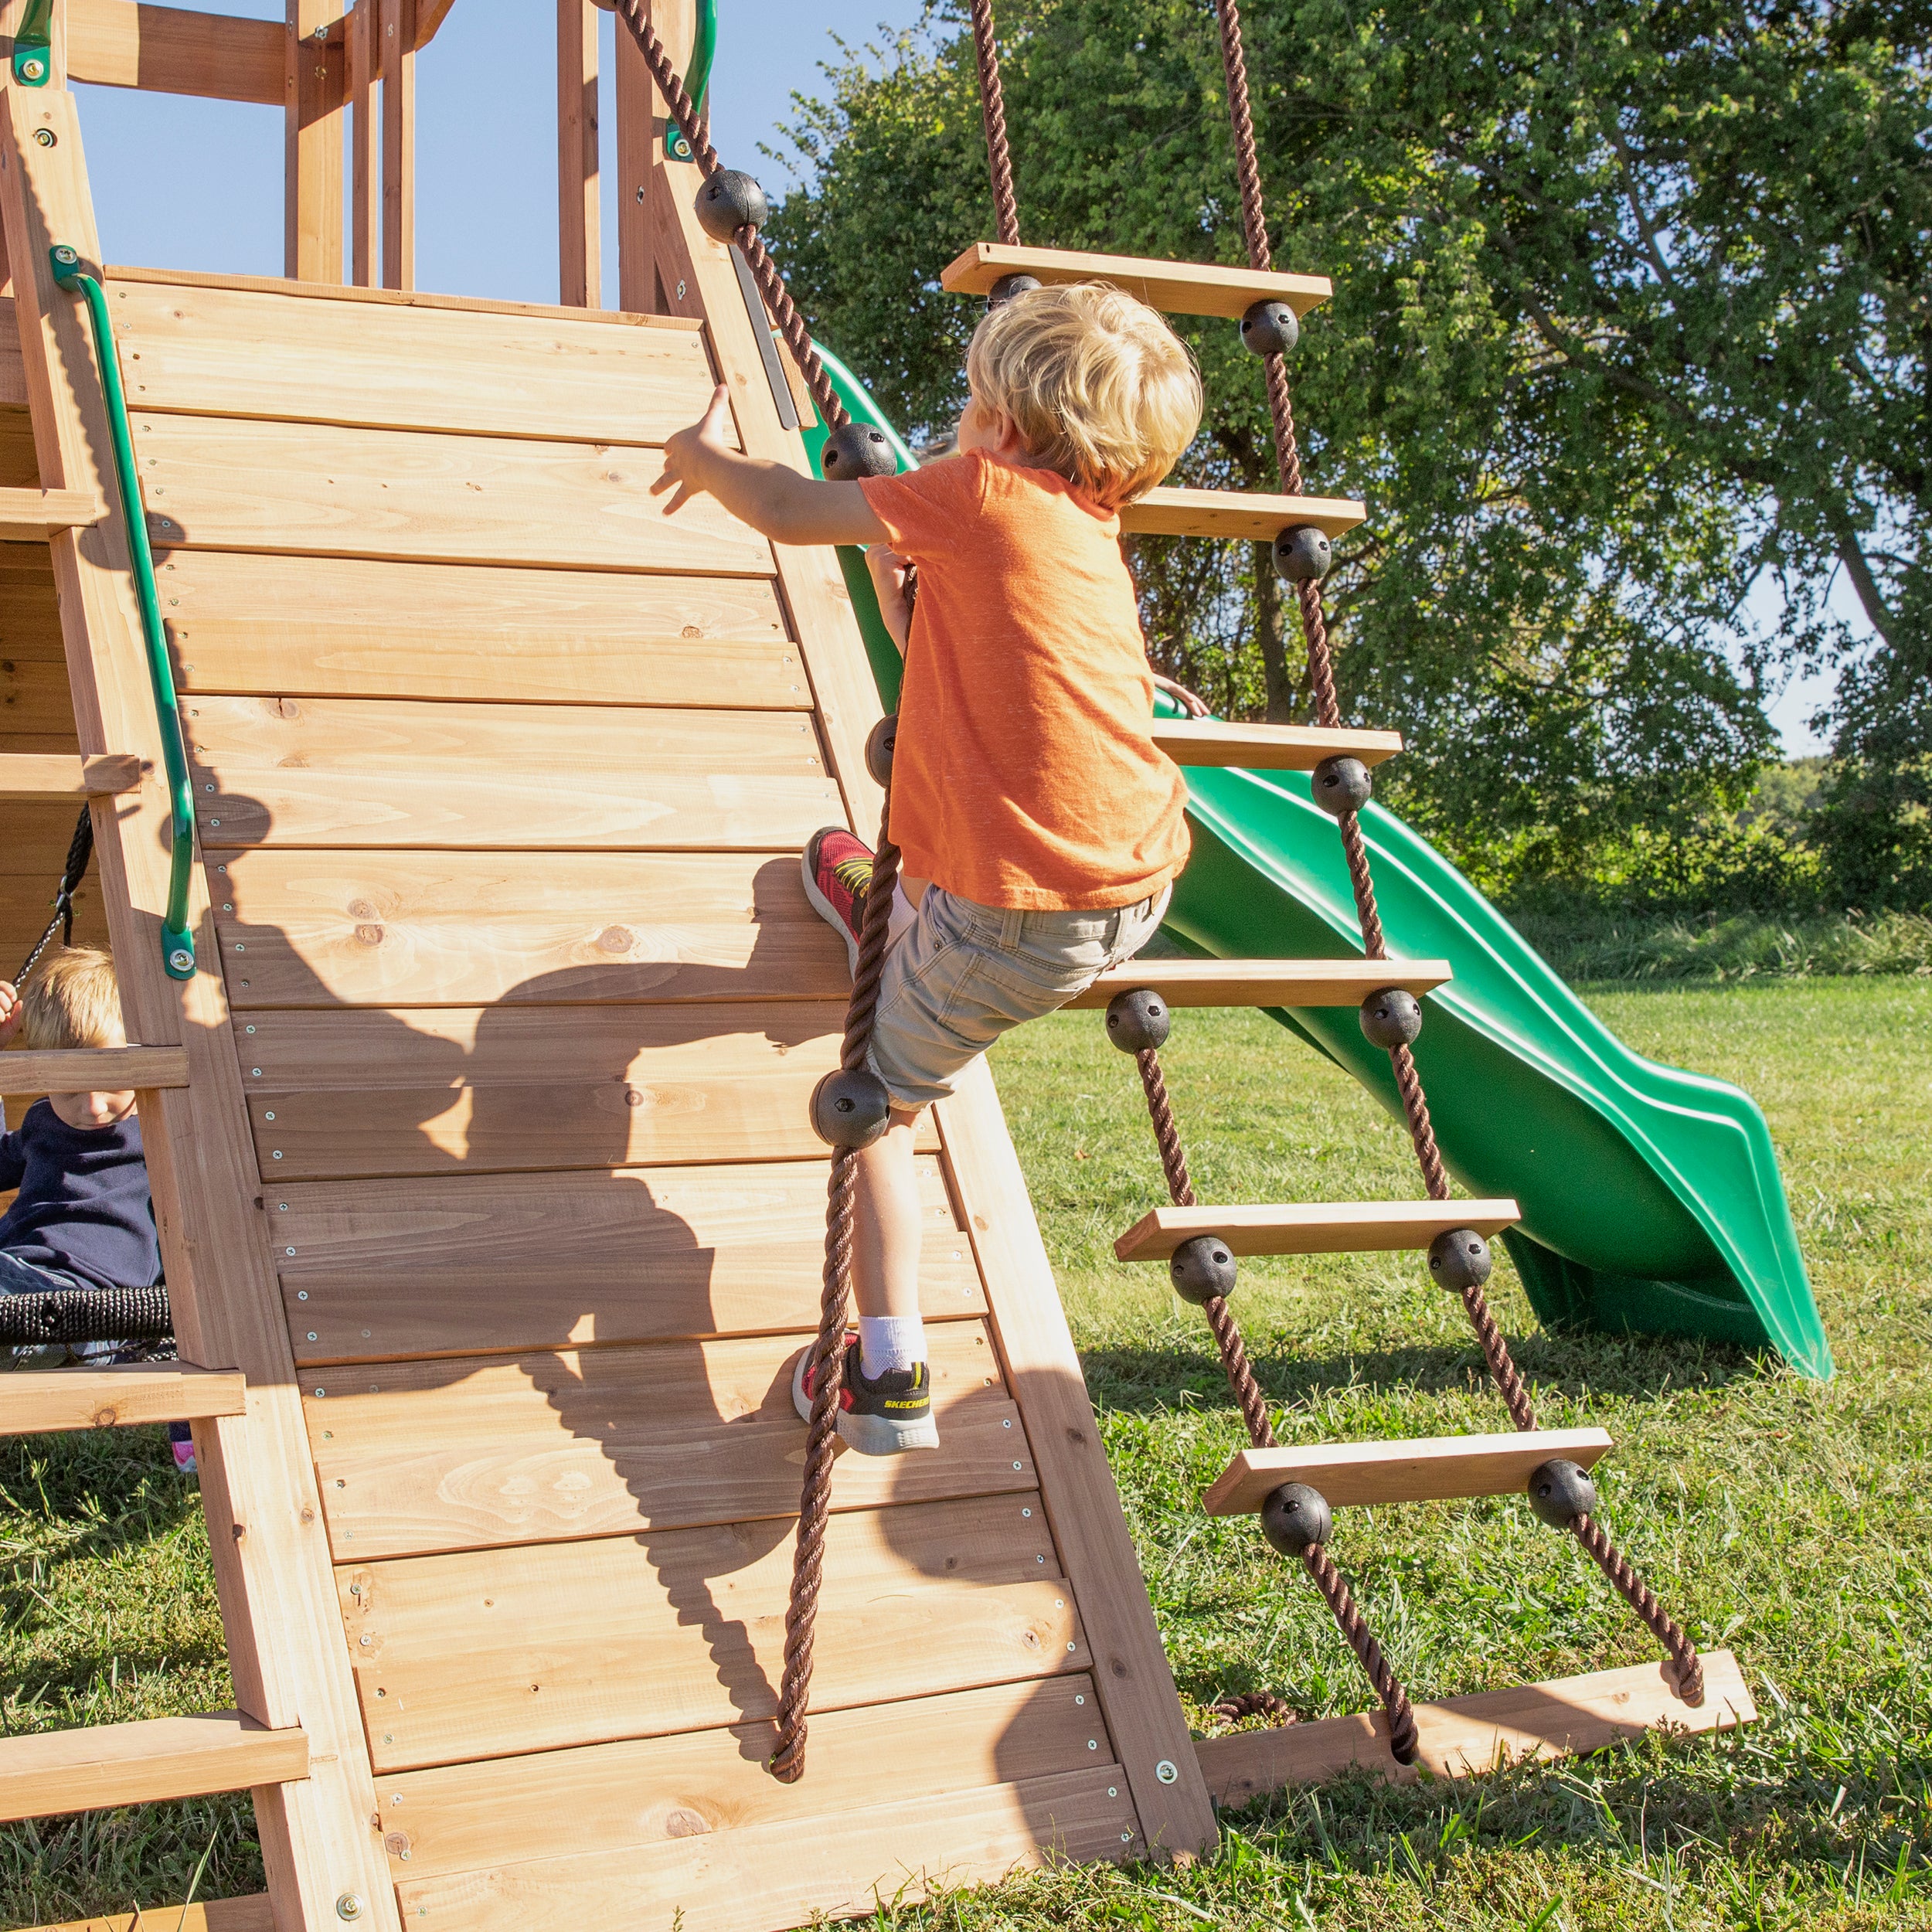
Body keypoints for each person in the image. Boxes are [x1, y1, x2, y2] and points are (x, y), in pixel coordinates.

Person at [655, 281, 1207, 1456]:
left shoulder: (983, 491)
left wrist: (704, 460)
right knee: (936, 902)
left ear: (1002, 425)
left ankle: (888, 1368)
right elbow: (969, 645)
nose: (960, 422)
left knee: (874, 1111)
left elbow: (796, 511)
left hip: (1023, 911)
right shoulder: (1084, 525)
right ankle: (888, 904)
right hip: (1135, 875)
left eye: (968, 402)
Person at [0, 950, 169, 1383]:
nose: (93, 1108)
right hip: (13, 1280)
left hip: (88, 1312)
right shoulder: (43, 1122)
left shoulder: (167, 1130)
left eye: (111, 1080)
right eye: (68, 1090)